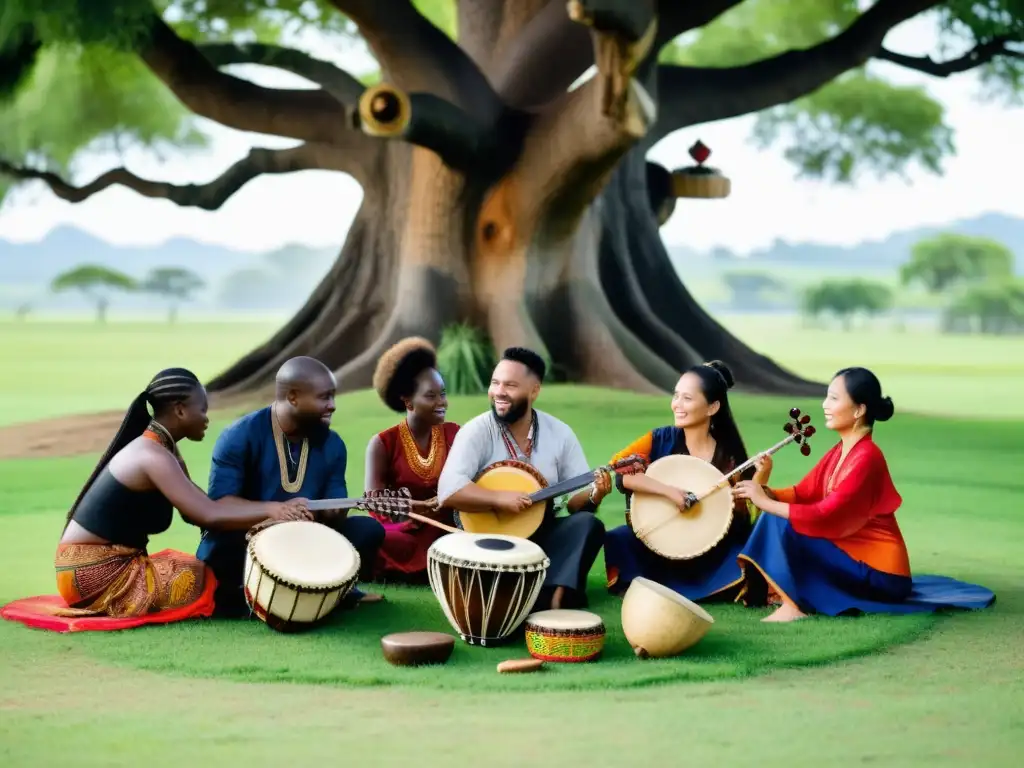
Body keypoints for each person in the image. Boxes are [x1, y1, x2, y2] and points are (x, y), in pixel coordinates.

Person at [732, 367, 996, 622]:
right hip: (855, 561)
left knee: (778, 521)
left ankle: (794, 605)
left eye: (834, 398)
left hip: (883, 576)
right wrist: (760, 484)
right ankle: (786, 595)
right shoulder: (840, 451)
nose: (825, 404)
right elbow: (801, 494)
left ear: (859, 410)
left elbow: (824, 514)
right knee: (776, 518)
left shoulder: (867, 457)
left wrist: (763, 500)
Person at [55, 368, 308, 622]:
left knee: (195, 571)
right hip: (91, 572)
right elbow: (208, 514)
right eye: (202, 410)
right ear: (179, 410)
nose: (207, 418)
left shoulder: (164, 449)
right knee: (192, 578)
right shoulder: (152, 455)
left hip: (88, 569)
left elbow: (198, 509)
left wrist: (265, 512)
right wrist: (273, 509)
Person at [197, 356, 386, 617]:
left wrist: (330, 511)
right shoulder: (239, 436)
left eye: (333, 397)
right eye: (324, 397)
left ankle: (329, 591)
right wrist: (275, 510)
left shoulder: (332, 444)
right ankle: (250, 596)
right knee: (224, 543)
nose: (332, 406)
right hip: (248, 543)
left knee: (367, 530)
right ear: (293, 397)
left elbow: (335, 507)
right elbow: (220, 506)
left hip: (303, 542)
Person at [435, 347, 607, 611]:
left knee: (587, 525)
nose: (499, 392)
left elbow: (575, 504)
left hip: (540, 531)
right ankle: (545, 590)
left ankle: (557, 598)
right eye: (495, 383)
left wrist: (595, 494)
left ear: (534, 391)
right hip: (485, 537)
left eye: (511, 385)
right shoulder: (476, 431)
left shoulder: (559, 433)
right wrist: (498, 499)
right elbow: (448, 491)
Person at [593, 360, 770, 602]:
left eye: (687, 398)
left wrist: (760, 479)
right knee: (620, 537)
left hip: (708, 548)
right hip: (660, 540)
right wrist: (670, 492)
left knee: (742, 550)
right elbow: (623, 473)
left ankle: (700, 585)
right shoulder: (659, 438)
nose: (677, 404)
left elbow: (743, 517)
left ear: (712, 407)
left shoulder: (729, 456)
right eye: (676, 396)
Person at [364, 337, 460, 583]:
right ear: (407, 400)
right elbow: (374, 504)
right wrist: (414, 510)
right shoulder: (383, 443)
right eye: (431, 396)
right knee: (379, 538)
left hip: (446, 524)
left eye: (443, 394)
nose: (442, 403)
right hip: (404, 528)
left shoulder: (455, 434)